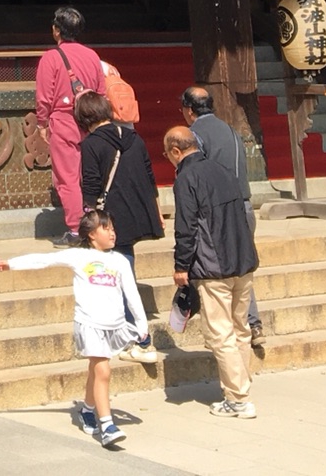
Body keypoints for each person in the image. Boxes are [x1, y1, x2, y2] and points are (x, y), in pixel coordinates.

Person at [0, 207, 154, 450]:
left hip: (113, 325)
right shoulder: (79, 256)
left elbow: (132, 295)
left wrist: (142, 325)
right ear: (92, 234)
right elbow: (44, 260)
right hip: (89, 324)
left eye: (113, 228)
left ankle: (88, 411)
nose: (112, 233)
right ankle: (107, 426)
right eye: (106, 228)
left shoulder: (120, 261)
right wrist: (11, 264)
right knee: (103, 371)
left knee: (96, 369)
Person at [164, 125, 259, 419]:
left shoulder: (186, 178)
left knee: (220, 333)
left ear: (177, 151)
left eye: (168, 154)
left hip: (213, 265)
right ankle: (239, 386)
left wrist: (181, 265)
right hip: (242, 259)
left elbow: (186, 227)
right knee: (240, 327)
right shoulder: (221, 170)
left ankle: (239, 398)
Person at [180, 86, 264, 352]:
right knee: (241, 270)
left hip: (219, 213)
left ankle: (224, 333)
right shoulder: (231, 130)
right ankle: (253, 324)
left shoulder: (194, 137)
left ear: (189, 110)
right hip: (245, 206)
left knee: (219, 274)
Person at [35, 6, 107, 244]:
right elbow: (101, 91)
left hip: (64, 121)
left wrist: (42, 123)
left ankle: (77, 229)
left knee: (67, 178)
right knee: (91, 175)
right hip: (91, 123)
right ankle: (97, 224)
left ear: (56, 30)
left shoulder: (51, 57)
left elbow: (44, 96)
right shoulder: (92, 56)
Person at [76, 91, 163, 270]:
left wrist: (90, 211)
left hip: (112, 209)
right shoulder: (134, 137)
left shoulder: (91, 144)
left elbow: (92, 181)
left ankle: (121, 296)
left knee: (113, 260)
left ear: (83, 117)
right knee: (125, 253)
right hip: (138, 205)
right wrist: (157, 209)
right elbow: (149, 175)